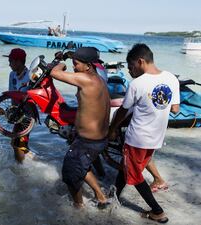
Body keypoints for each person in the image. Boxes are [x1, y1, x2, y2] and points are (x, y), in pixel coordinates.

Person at [109, 43, 180, 223]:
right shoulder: (171, 78)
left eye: (131, 67)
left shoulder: (137, 83)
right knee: (128, 168)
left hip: (137, 138)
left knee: (135, 175)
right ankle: (113, 196)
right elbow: (175, 109)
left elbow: (122, 112)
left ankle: (158, 211)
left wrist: (111, 129)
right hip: (156, 137)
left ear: (140, 61)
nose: (130, 72)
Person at [50, 47, 110, 209]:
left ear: (88, 65)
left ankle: (78, 208)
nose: (74, 67)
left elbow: (54, 73)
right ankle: (101, 196)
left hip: (89, 141)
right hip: (98, 137)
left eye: (76, 64)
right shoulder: (97, 79)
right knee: (82, 166)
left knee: (69, 174)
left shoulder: (85, 79)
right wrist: (70, 56)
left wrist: (60, 62)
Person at [3, 48, 32, 163]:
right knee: (15, 142)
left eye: (11, 61)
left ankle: (21, 168)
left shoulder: (30, 76)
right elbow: (11, 93)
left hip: (28, 115)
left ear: (19, 62)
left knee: (17, 144)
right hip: (17, 113)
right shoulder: (12, 75)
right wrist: (12, 113)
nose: (9, 64)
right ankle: (31, 160)